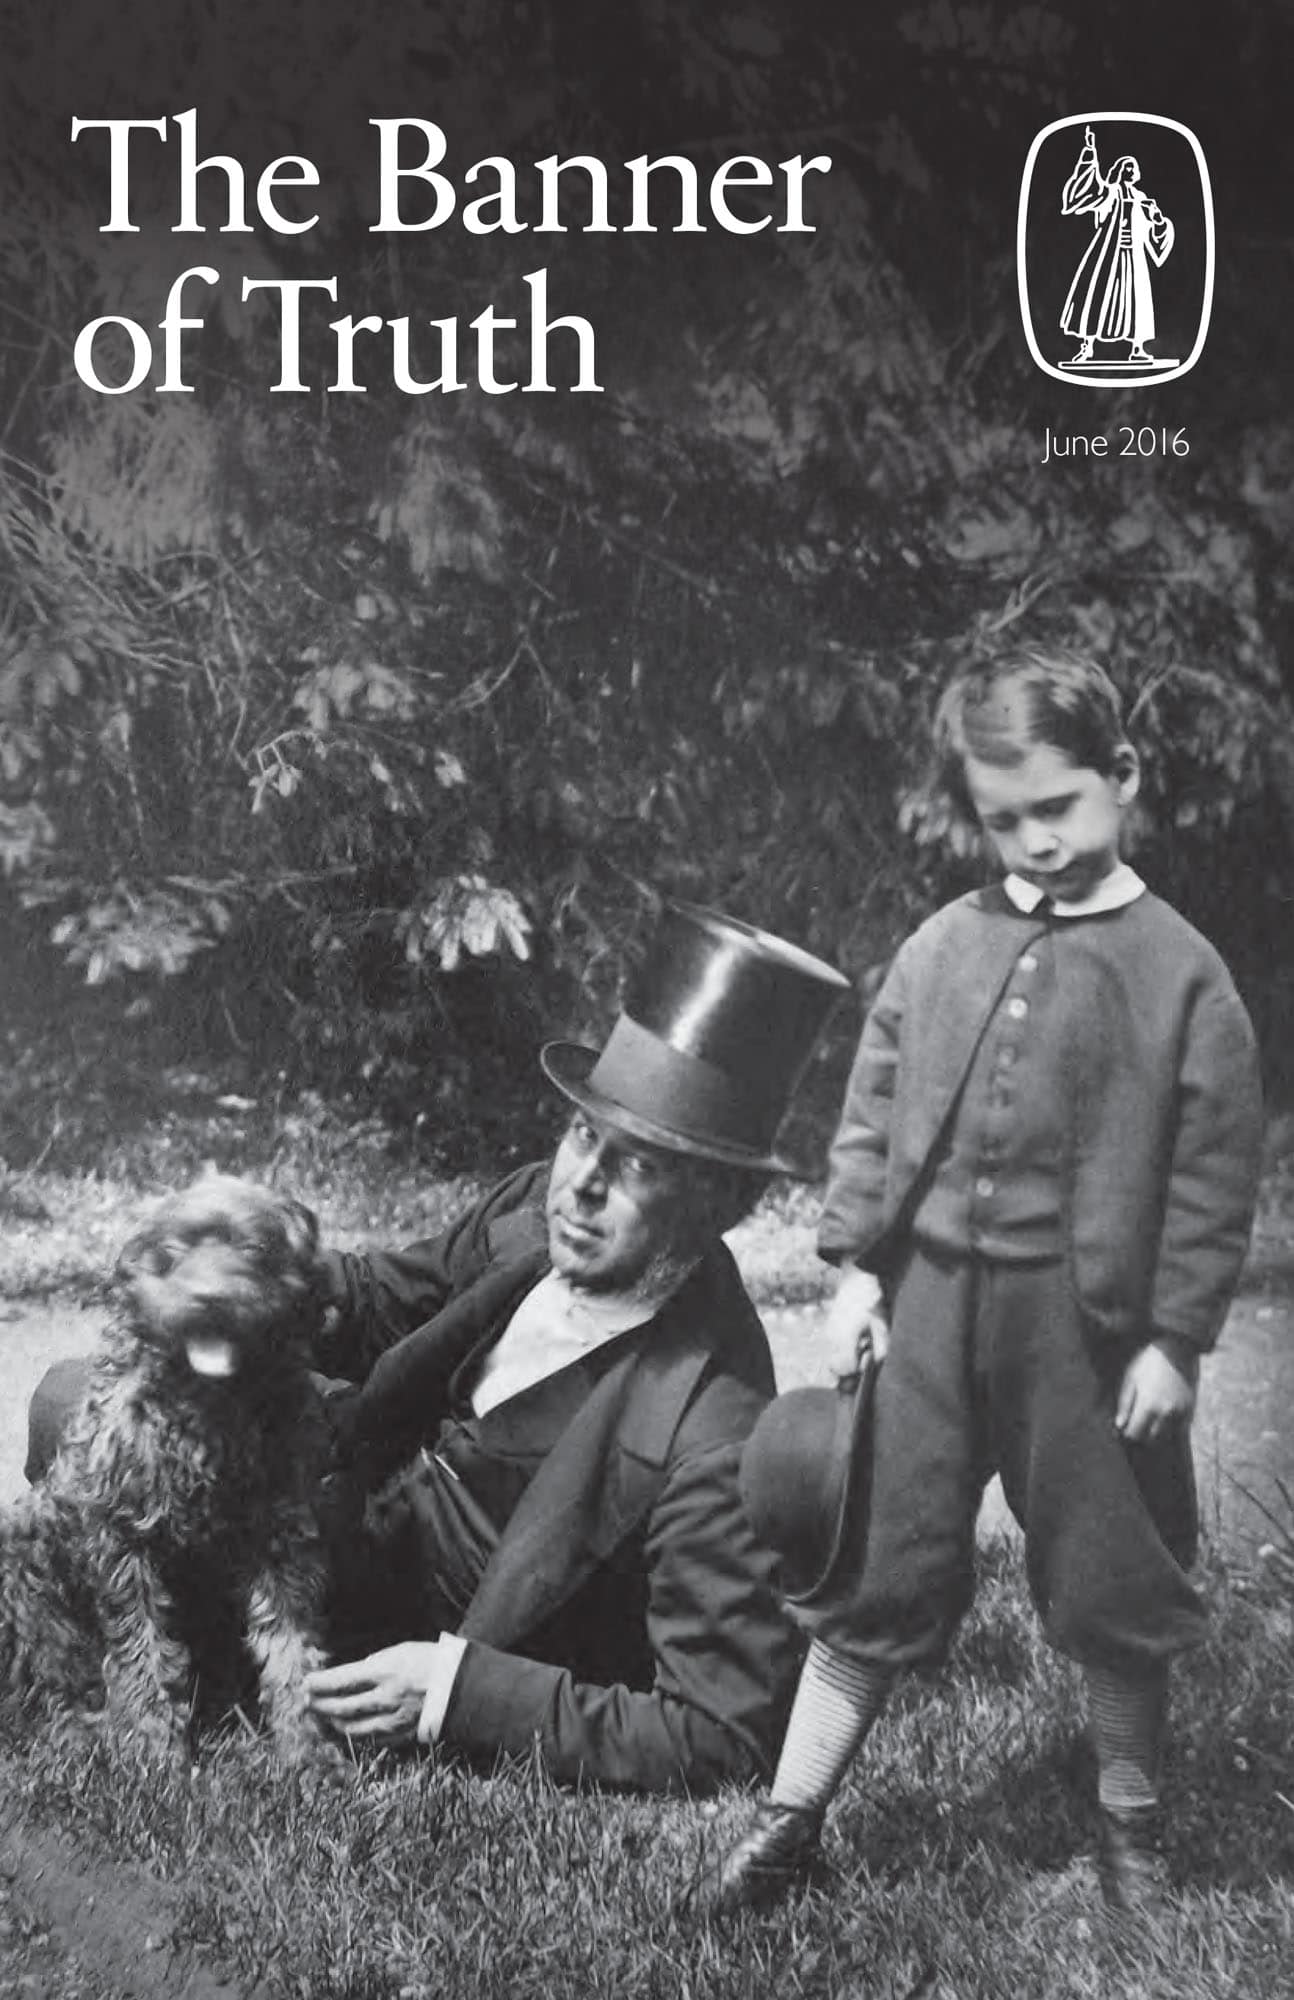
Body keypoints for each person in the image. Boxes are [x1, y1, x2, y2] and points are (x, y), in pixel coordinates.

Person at [707, 649, 1264, 1913]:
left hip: (1085, 1330)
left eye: (1057, 806)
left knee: (1114, 1572)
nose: (1035, 839)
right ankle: (789, 1819)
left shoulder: (1180, 971)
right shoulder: (943, 943)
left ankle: (1130, 1825)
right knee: (876, 1553)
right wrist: (856, 1271)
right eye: (1004, 818)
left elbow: (1212, 1175)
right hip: (930, 1308)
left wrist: (1173, 1338)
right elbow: (872, 1108)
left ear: (1122, 775)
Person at [295, 901, 851, 1793]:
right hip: (330, 1490)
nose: (581, 1184)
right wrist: (256, 1266)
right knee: (80, 1399)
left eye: (639, 1165)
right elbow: (377, 1301)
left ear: (718, 1204)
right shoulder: (533, 1208)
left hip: (407, 1621)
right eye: (585, 1133)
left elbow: (719, 1736)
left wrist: (456, 1695)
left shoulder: (714, 1434)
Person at [1061, 125, 1174, 365]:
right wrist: (1090, 153)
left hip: (1134, 256)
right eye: (1127, 167)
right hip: (1108, 253)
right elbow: (1092, 190)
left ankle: (1138, 348)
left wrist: (1157, 220)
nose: (1131, 170)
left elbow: (1156, 231)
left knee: (1136, 300)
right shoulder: (1111, 192)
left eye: (1134, 167)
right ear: (1120, 171)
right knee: (1097, 294)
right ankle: (1087, 347)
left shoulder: (1142, 199)